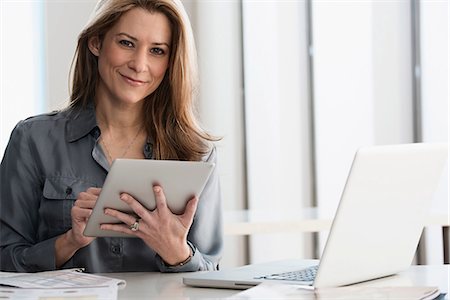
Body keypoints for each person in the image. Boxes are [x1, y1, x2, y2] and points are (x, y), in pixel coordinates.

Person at [0, 0, 222, 273]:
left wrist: (175, 250)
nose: (140, 64)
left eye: (157, 51)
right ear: (96, 42)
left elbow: (211, 273)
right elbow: (4, 258)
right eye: (127, 43)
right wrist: (69, 241)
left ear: (170, 61)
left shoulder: (196, 153)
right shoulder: (33, 140)